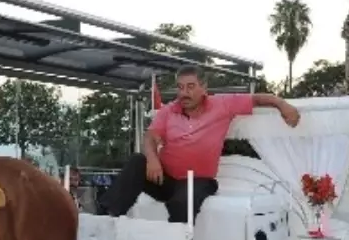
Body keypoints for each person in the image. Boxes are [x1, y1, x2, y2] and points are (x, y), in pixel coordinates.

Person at [98, 66, 301, 222]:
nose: (184, 93)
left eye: (190, 87)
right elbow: (150, 136)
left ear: (204, 88)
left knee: (182, 202)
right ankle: (105, 219)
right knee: (137, 161)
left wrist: (282, 104)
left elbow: (257, 99)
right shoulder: (169, 110)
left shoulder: (222, 104)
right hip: (165, 179)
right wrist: (152, 159)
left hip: (198, 181)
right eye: (180, 87)